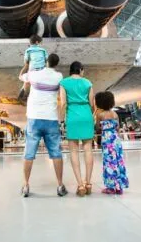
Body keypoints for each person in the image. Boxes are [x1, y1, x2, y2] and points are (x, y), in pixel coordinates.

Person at [19, 53, 67, 197]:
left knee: (29, 154)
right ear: (56, 64)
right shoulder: (59, 77)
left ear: (46, 61)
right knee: (56, 154)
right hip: (51, 119)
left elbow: (21, 76)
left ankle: (26, 185)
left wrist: (27, 64)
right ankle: (59, 186)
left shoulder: (34, 75)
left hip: (34, 119)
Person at [60, 61, 95, 197]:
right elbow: (92, 103)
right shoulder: (88, 83)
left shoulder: (64, 83)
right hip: (86, 115)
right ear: (80, 70)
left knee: (73, 151)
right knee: (88, 149)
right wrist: (90, 115)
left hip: (72, 117)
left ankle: (80, 185)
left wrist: (61, 118)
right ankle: (89, 183)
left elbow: (63, 103)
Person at [94, 91, 129, 195]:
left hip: (107, 141)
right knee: (118, 161)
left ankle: (111, 187)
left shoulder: (100, 115)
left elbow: (97, 128)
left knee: (109, 162)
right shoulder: (115, 114)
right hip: (116, 140)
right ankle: (119, 187)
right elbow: (117, 127)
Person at [18, 34, 48, 100]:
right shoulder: (43, 50)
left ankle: (25, 93)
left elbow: (26, 62)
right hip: (42, 71)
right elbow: (46, 60)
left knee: (26, 78)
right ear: (37, 42)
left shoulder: (28, 51)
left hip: (32, 71)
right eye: (40, 42)